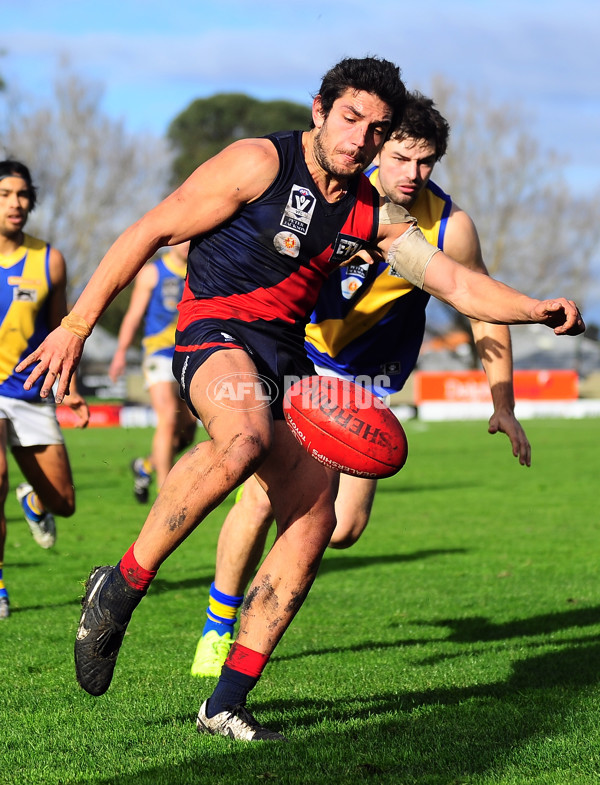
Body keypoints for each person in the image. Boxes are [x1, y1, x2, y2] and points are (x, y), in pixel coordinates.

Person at [17, 57, 583, 742]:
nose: (359, 139)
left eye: (375, 130)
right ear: (320, 110)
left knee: (317, 517)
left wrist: (535, 307)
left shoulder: (376, 215)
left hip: (286, 359)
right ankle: (123, 584)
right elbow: (150, 231)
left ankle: (223, 702)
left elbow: (458, 286)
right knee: (245, 436)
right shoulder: (257, 162)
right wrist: (76, 326)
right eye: (350, 119)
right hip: (214, 333)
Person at [189, 90, 533, 677]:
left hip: (367, 378)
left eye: (425, 162)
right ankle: (220, 627)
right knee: (264, 490)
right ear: (379, 147)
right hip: (303, 356)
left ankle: (256, 584)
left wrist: (504, 401)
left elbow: (481, 310)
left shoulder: (451, 227)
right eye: (400, 157)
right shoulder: (339, 194)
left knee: (342, 528)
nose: (411, 173)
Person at [0, 159, 89, 620]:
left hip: (29, 387)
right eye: (5, 194)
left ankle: (34, 501)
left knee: (64, 502)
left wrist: (68, 385)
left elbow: (62, 328)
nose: (16, 203)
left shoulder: (48, 259)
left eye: (22, 194)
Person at [108, 241, 197, 503]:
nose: (187, 244)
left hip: (190, 353)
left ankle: (146, 466)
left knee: (187, 433)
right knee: (168, 416)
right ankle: (165, 494)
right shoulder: (153, 272)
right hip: (158, 353)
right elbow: (134, 315)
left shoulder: (201, 267)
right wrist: (121, 352)